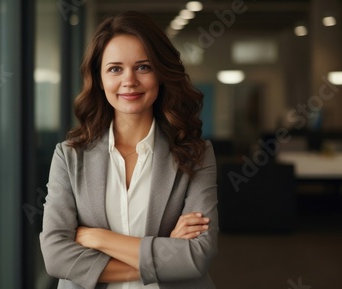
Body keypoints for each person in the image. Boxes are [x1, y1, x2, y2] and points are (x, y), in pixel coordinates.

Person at [40, 11, 218, 289]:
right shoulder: (69, 156)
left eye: (143, 67)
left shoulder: (195, 153)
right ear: (99, 79)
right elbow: (55, 257)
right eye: (115, 69)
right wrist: (167, 252)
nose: (129, 80)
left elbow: (197, 257)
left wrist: (98, 238)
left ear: (160, 73)